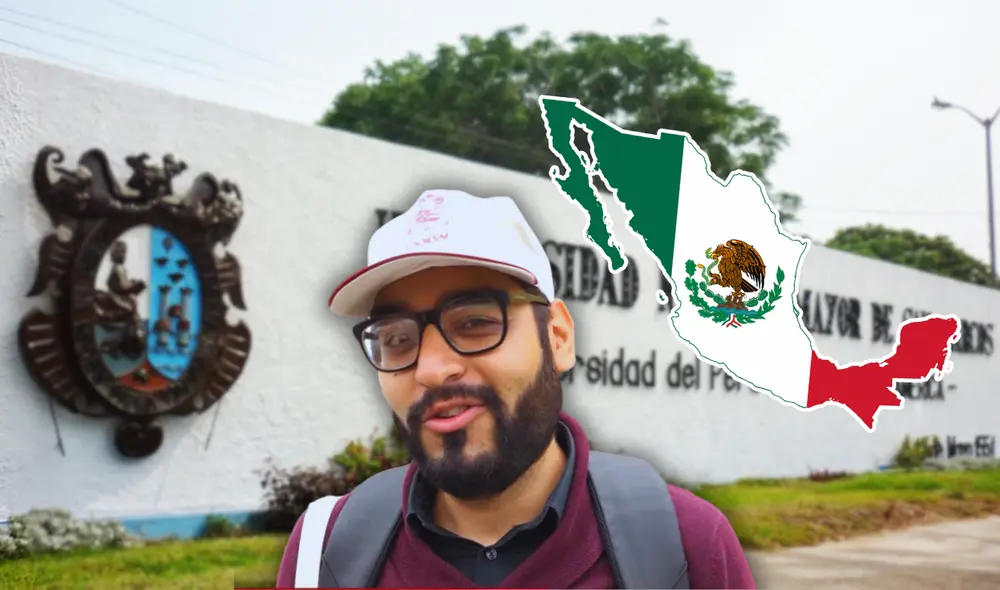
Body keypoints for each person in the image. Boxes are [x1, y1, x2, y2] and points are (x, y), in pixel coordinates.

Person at [276, 189, 756, 589]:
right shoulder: (326, 552)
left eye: (477, 322)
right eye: (398, 339)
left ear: (558, 338)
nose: (432, 369)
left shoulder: (687, 547)